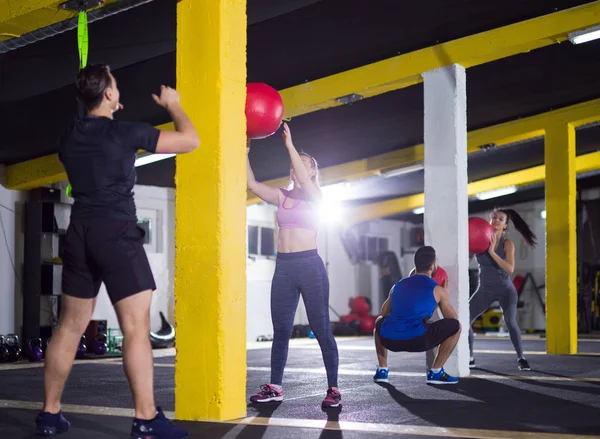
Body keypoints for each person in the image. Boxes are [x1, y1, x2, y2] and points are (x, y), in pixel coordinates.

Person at [35, 64, 199, 438]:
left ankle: (49, 414)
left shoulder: (69, 137)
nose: (118, 90)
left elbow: (90, 145)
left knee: (69, 326)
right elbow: (190, 140)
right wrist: (173, 105)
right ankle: (145, 419)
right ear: (108, 94)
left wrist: (103, 115)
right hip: (116, 233)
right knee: (136, 329)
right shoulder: (127, 132)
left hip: (78, 233)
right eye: (115, 86)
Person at [246, 122, 341, 408]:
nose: (296, 167)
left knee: (321, 327)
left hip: (310, 266)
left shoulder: (316, 197)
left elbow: (304, 178)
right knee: (281, 330)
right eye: (294, 163)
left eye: (303, 164)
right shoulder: (282, 196)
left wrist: (290, 146)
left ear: (312, 172)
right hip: (284, 268)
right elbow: (250, 184)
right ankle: (275, 386)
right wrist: (244, 152)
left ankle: (333, 388)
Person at [373, 246, 461, 385]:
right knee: (456, 326)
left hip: (390, 341)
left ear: (415, 266)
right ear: (432, 266)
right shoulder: (438, 289)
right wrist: (444, 297)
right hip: (418, 341)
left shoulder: (398, 285)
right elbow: (452, 319)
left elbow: (384, 313)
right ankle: (436, 372)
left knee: (379, 322)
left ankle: (382, 370)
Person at [468, 208, 536, 371]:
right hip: (484, 289)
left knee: (510, 321)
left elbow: (510, 268)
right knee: (465, 318)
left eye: (501, 219)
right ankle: (469, 356)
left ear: (505, 226)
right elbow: (467, 258)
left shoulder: (507, 244)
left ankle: (521, 358)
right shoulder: (479, 241)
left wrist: (491, 252)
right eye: (494, 218)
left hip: (506, 290)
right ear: (490, 221)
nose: (497, 221)